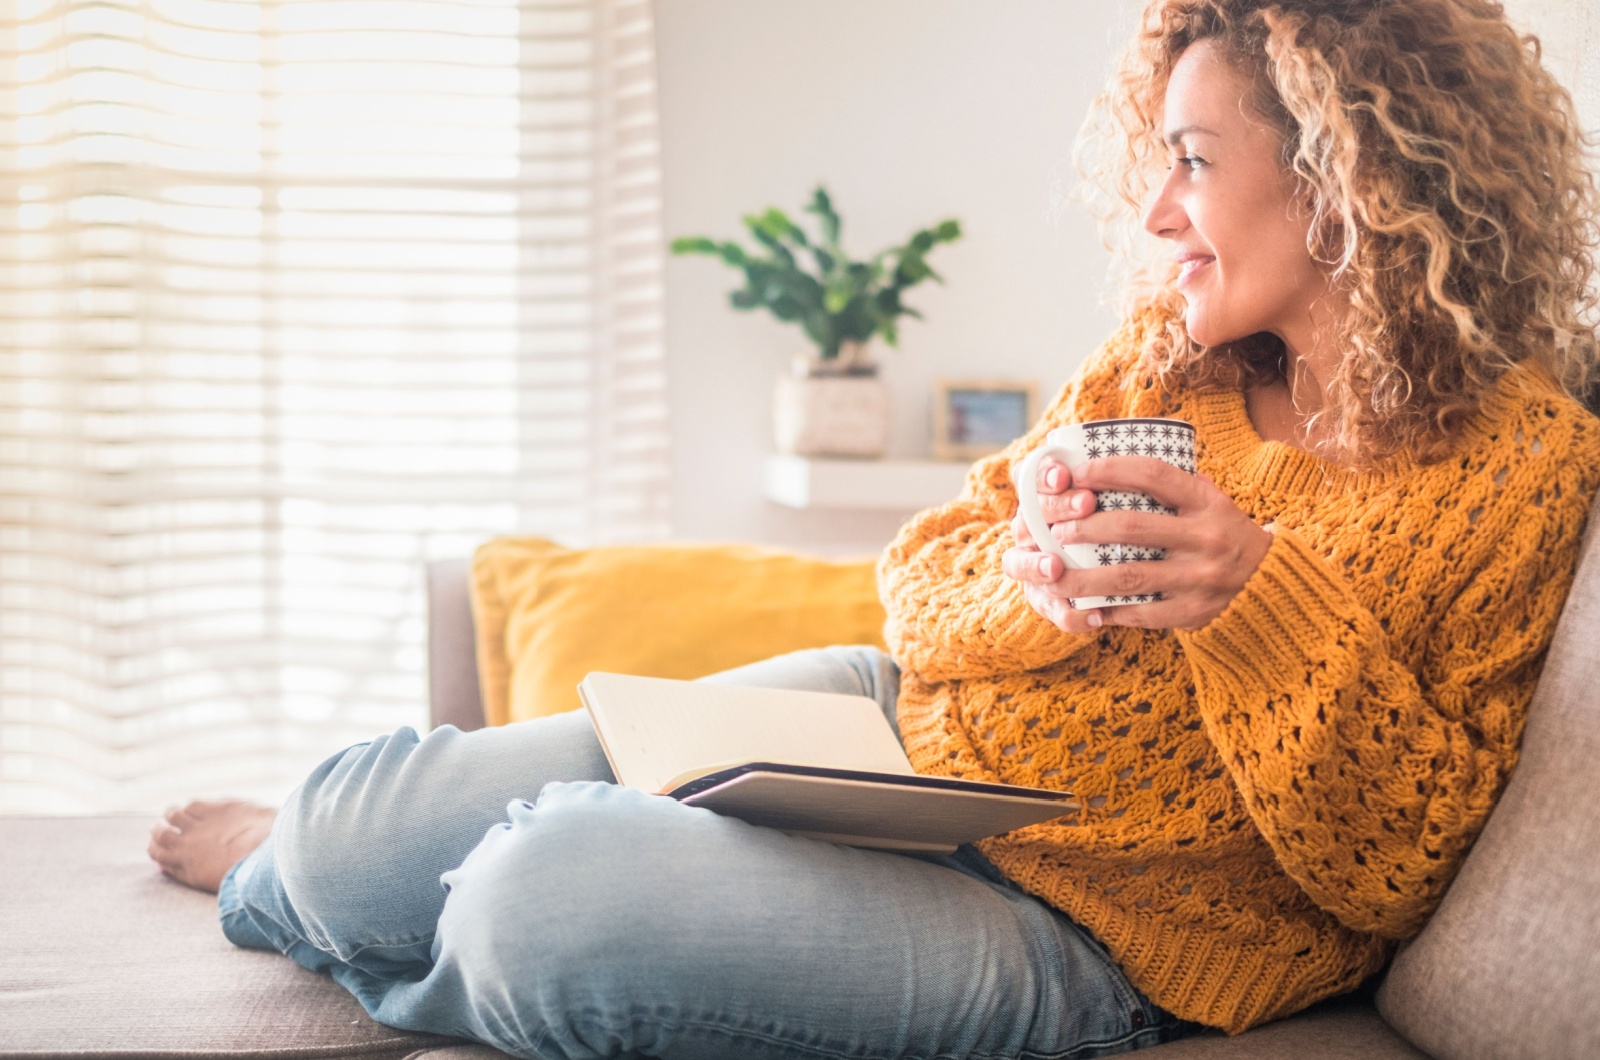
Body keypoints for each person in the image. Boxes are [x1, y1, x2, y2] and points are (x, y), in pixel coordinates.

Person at [149, 0, 1600, 1056]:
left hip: (1096, 930)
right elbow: (920, 588)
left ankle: (449, 910)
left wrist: (1253, 602)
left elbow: (1403, 868)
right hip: (891, 736)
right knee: (348, 833)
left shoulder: (1525, 466)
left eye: (1198, 161)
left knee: (542, 905)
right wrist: (1036, 587)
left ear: (1352, 180)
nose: (1157, 209)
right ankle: (314, 880)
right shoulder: (1172, 362)